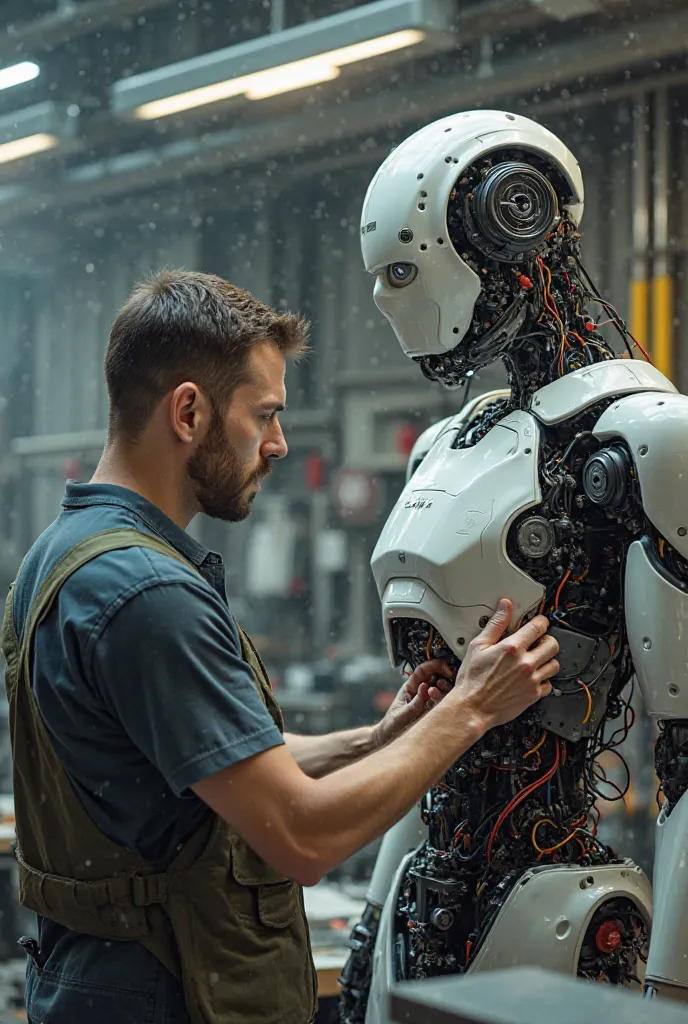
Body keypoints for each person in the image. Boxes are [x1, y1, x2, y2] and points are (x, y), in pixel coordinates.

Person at [3, 269, 560, 1024]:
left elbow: (211, 765)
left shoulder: (64, 553)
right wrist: (470, 710)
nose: (278, 444)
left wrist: (379, 738)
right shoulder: (147, 594)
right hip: (171, 994)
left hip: (99, 982)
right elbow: (302, 834)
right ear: (190, 411)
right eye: (264, 415)